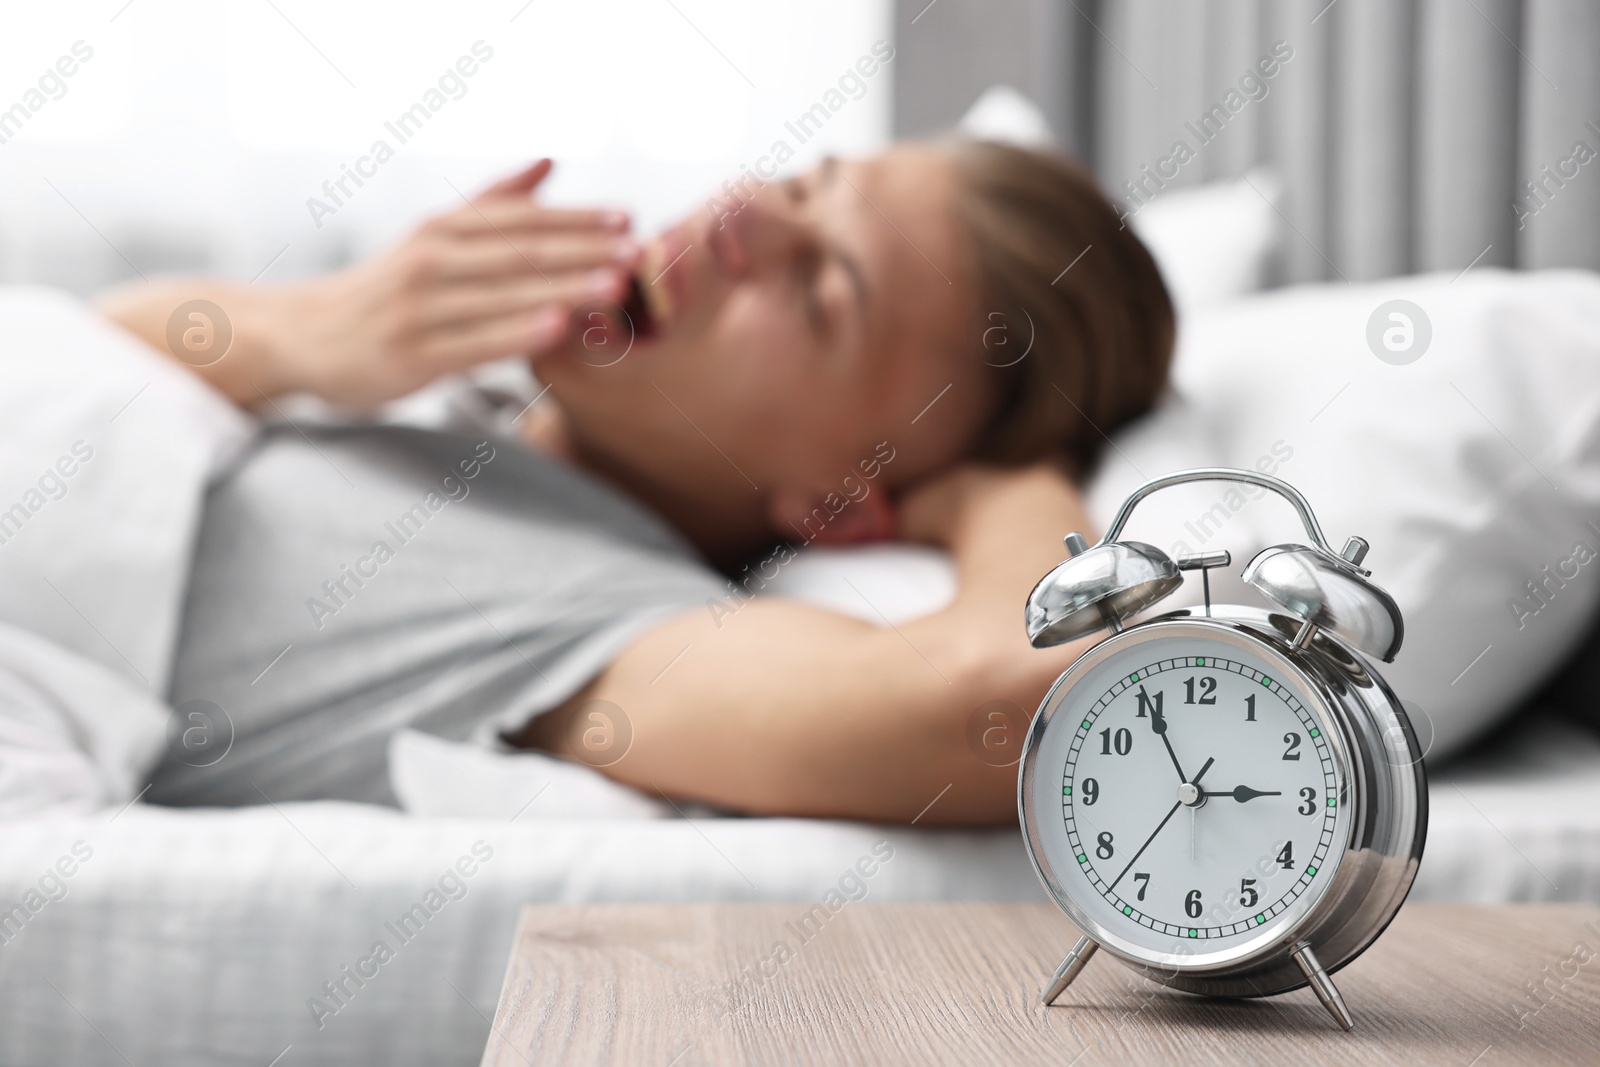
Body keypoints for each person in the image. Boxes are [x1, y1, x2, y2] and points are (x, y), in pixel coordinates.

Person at [98, 140, 1174, 824]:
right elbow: (94, 359)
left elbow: (1002, 700)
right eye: (803, 182)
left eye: (818, 291)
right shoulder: (443, 384)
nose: (740, 209)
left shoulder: (603, 631)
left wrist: (1003, 490)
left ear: (839, 504)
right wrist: (312, 331)